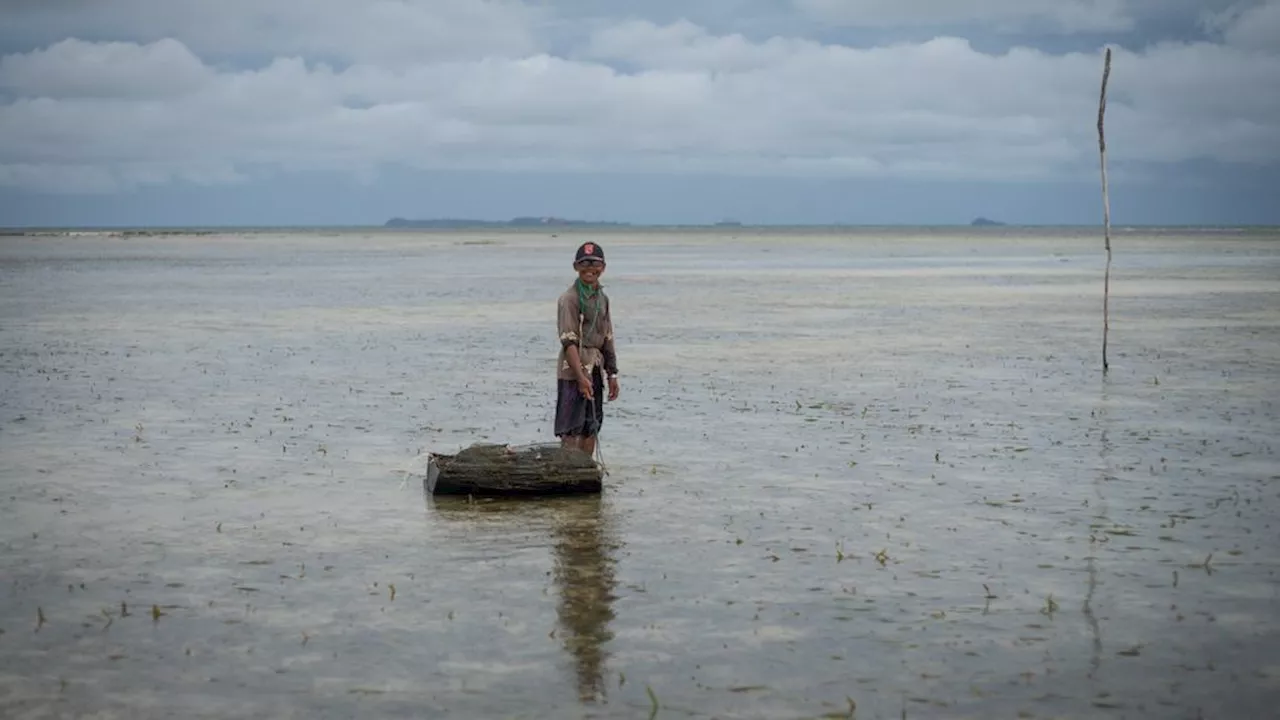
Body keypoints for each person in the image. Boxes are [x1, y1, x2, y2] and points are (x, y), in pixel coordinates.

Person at [555, 241, 620, 455]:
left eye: (595, 263)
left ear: (603, 267)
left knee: (591, 426)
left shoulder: (603, 298)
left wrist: (612, 375)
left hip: (596, 368)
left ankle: (587, 474)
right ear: (575, 266)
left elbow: (607, 337)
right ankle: (568, 475)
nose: (589, 268)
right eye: (584, 263)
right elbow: (568, 342)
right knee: (571, 429)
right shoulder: (569, 299)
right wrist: (580, 377)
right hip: (572, 370)